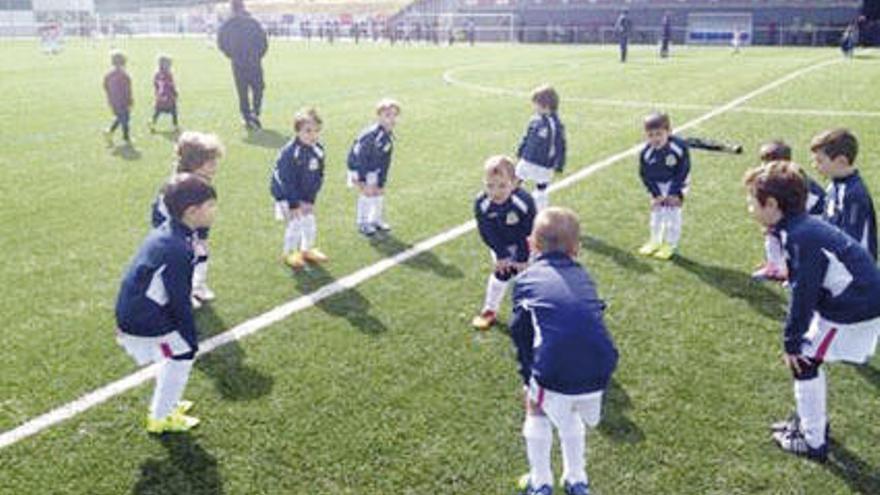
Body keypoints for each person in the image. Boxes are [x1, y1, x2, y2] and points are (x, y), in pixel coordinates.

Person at [743, 161, 880, 461]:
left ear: (772, 204)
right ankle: (808, 424)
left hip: (854, 308)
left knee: (803, 361)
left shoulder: (800, 236)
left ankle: (813, 440)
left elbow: (803, 296)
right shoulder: (799, 227)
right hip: (851, 298)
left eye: (752, 201)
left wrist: (791, 342)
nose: (749, 208)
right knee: (807, 358)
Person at [511, 207, 618, 495]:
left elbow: (520, 333)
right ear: (578, 249)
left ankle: (541, 481)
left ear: (531, 245)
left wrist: (527, 378)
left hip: (559, 366)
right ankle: (576, 478)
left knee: (536, 406)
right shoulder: (584, 276)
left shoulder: (525, 281)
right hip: (603, 365)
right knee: (570, 411)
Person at [115, 174, 218, 433]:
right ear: (192, 211)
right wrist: (188, 334)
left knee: (175, 353)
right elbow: (179, 298)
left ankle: (167, 403)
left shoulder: (172, 231)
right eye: (210, 205)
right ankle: (161, 417)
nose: (214, 211)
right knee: (183, 353)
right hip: (143, 315)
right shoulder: (177, 249)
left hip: (138, 308)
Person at [152, 132, 225, 309]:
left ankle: (197, 286)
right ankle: (180, 294)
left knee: (201, 254)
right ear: (195, 164)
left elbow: (201, 214)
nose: (216, 166)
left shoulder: (201, 181)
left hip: (189, 227)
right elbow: (176, 216)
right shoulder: (182, 186)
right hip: (172, 229)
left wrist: (202, 235)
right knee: (181, 261)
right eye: (211, 162)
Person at [472, 155, 536, 330]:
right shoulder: (482, 203)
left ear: (514, 183)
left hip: (523, 242)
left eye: (502, 185)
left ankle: (531, 311)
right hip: (500, 243)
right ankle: (489, 310)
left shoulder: (524, 202)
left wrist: (522, 257)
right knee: (502, 273)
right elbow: (487, 232)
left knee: (524, 276)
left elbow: (529, 232)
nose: (496, 192)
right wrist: (501, 255)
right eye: (490, 186)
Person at [752, 140, 826, 282]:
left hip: (815, 218)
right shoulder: (774, 179)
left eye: (767, 163)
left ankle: (794, 271)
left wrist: (780, 224)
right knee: (771, 231)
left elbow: (801, 210)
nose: (762, 167)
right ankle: (775, 267)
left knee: (791, 236)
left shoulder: (796, 181)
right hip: (799, 215)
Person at [270, 108, 328, 269]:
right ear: (297, 131)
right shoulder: (290, 152)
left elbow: (318, 176)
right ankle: (289, 253)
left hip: (304, 194)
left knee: (309, 220)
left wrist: (310, 200)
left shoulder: (318, 149)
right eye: (308, 131)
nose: (313, 135)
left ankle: (307, 250)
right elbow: (285, 180)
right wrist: (294, 204)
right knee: (295, 222)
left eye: (316, 131)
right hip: (286, 195)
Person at [811, 128, 877, 261]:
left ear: (841, 161)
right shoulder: (833, 186)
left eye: (820, 161)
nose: (814, 166)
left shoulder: (853, 194)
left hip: (856, 269)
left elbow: (851, 240)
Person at [637, 112, 690, 260]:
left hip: (677, 182)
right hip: (658, 185)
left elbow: (683, 170)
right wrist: (656, 194)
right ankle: (655, 241)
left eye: (659, 134)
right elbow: (645, 175)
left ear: (669, 131)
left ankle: (670, 244)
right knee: (657, 213)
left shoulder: (678, 147)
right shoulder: (646, 153)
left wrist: (674, 192)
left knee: (672, 213)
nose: (655, 139)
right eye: (650, 135)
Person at [347, 98, 401, 236]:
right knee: (368, 191)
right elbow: (360, 156)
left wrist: (382, 179)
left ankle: (376, 220)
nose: (392, 119)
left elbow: (385, 160)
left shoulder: (388, 135)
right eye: (388, 115)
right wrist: (361, 179)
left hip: (373, 167)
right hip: (359, 168)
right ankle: (362, 223)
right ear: (379, 117)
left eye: (395, 115)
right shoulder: (372, 135)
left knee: (379, 191)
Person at [218, 0, 268, 130]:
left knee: (244, 91)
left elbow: (221, 43)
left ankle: (248, 116)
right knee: (257, 88)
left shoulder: (229, 24)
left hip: (240, 63)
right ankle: (254, 113)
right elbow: (263, 42)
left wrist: (231, 55)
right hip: (252, 62)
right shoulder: (252, 23)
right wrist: (257, 55)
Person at [516, 85, 567, 212]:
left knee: (541, 190)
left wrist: (559, 164)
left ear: (545, 105)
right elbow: (527, 136)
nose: (534, 107)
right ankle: (512, 204)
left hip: (543, 164)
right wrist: (521, 149)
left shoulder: (556, 125)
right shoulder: (535, 120)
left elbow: (561, 146)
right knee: (515, 180)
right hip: (527, 159)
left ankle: (540, 214)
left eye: (536, 104)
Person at [102, 49, 133, 146]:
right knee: (125, 119)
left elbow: (105, 86)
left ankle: (110, 132)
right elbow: (127, 90)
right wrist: (130, 101)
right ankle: (125, 138)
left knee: (120, 117)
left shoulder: (108, 75)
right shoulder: (125, 75)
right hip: (123, 101)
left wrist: (110, 97)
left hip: (113, 101)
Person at [149, 55, 179, 132]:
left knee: (158, 111)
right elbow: (170, 85)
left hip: (160, 97)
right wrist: (175, 92)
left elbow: (155, 84)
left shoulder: (157, 74)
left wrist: (157, 93)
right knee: (173, 111)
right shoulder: (168, 74)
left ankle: (152, 123)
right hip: (168, 96)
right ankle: (175, 126)